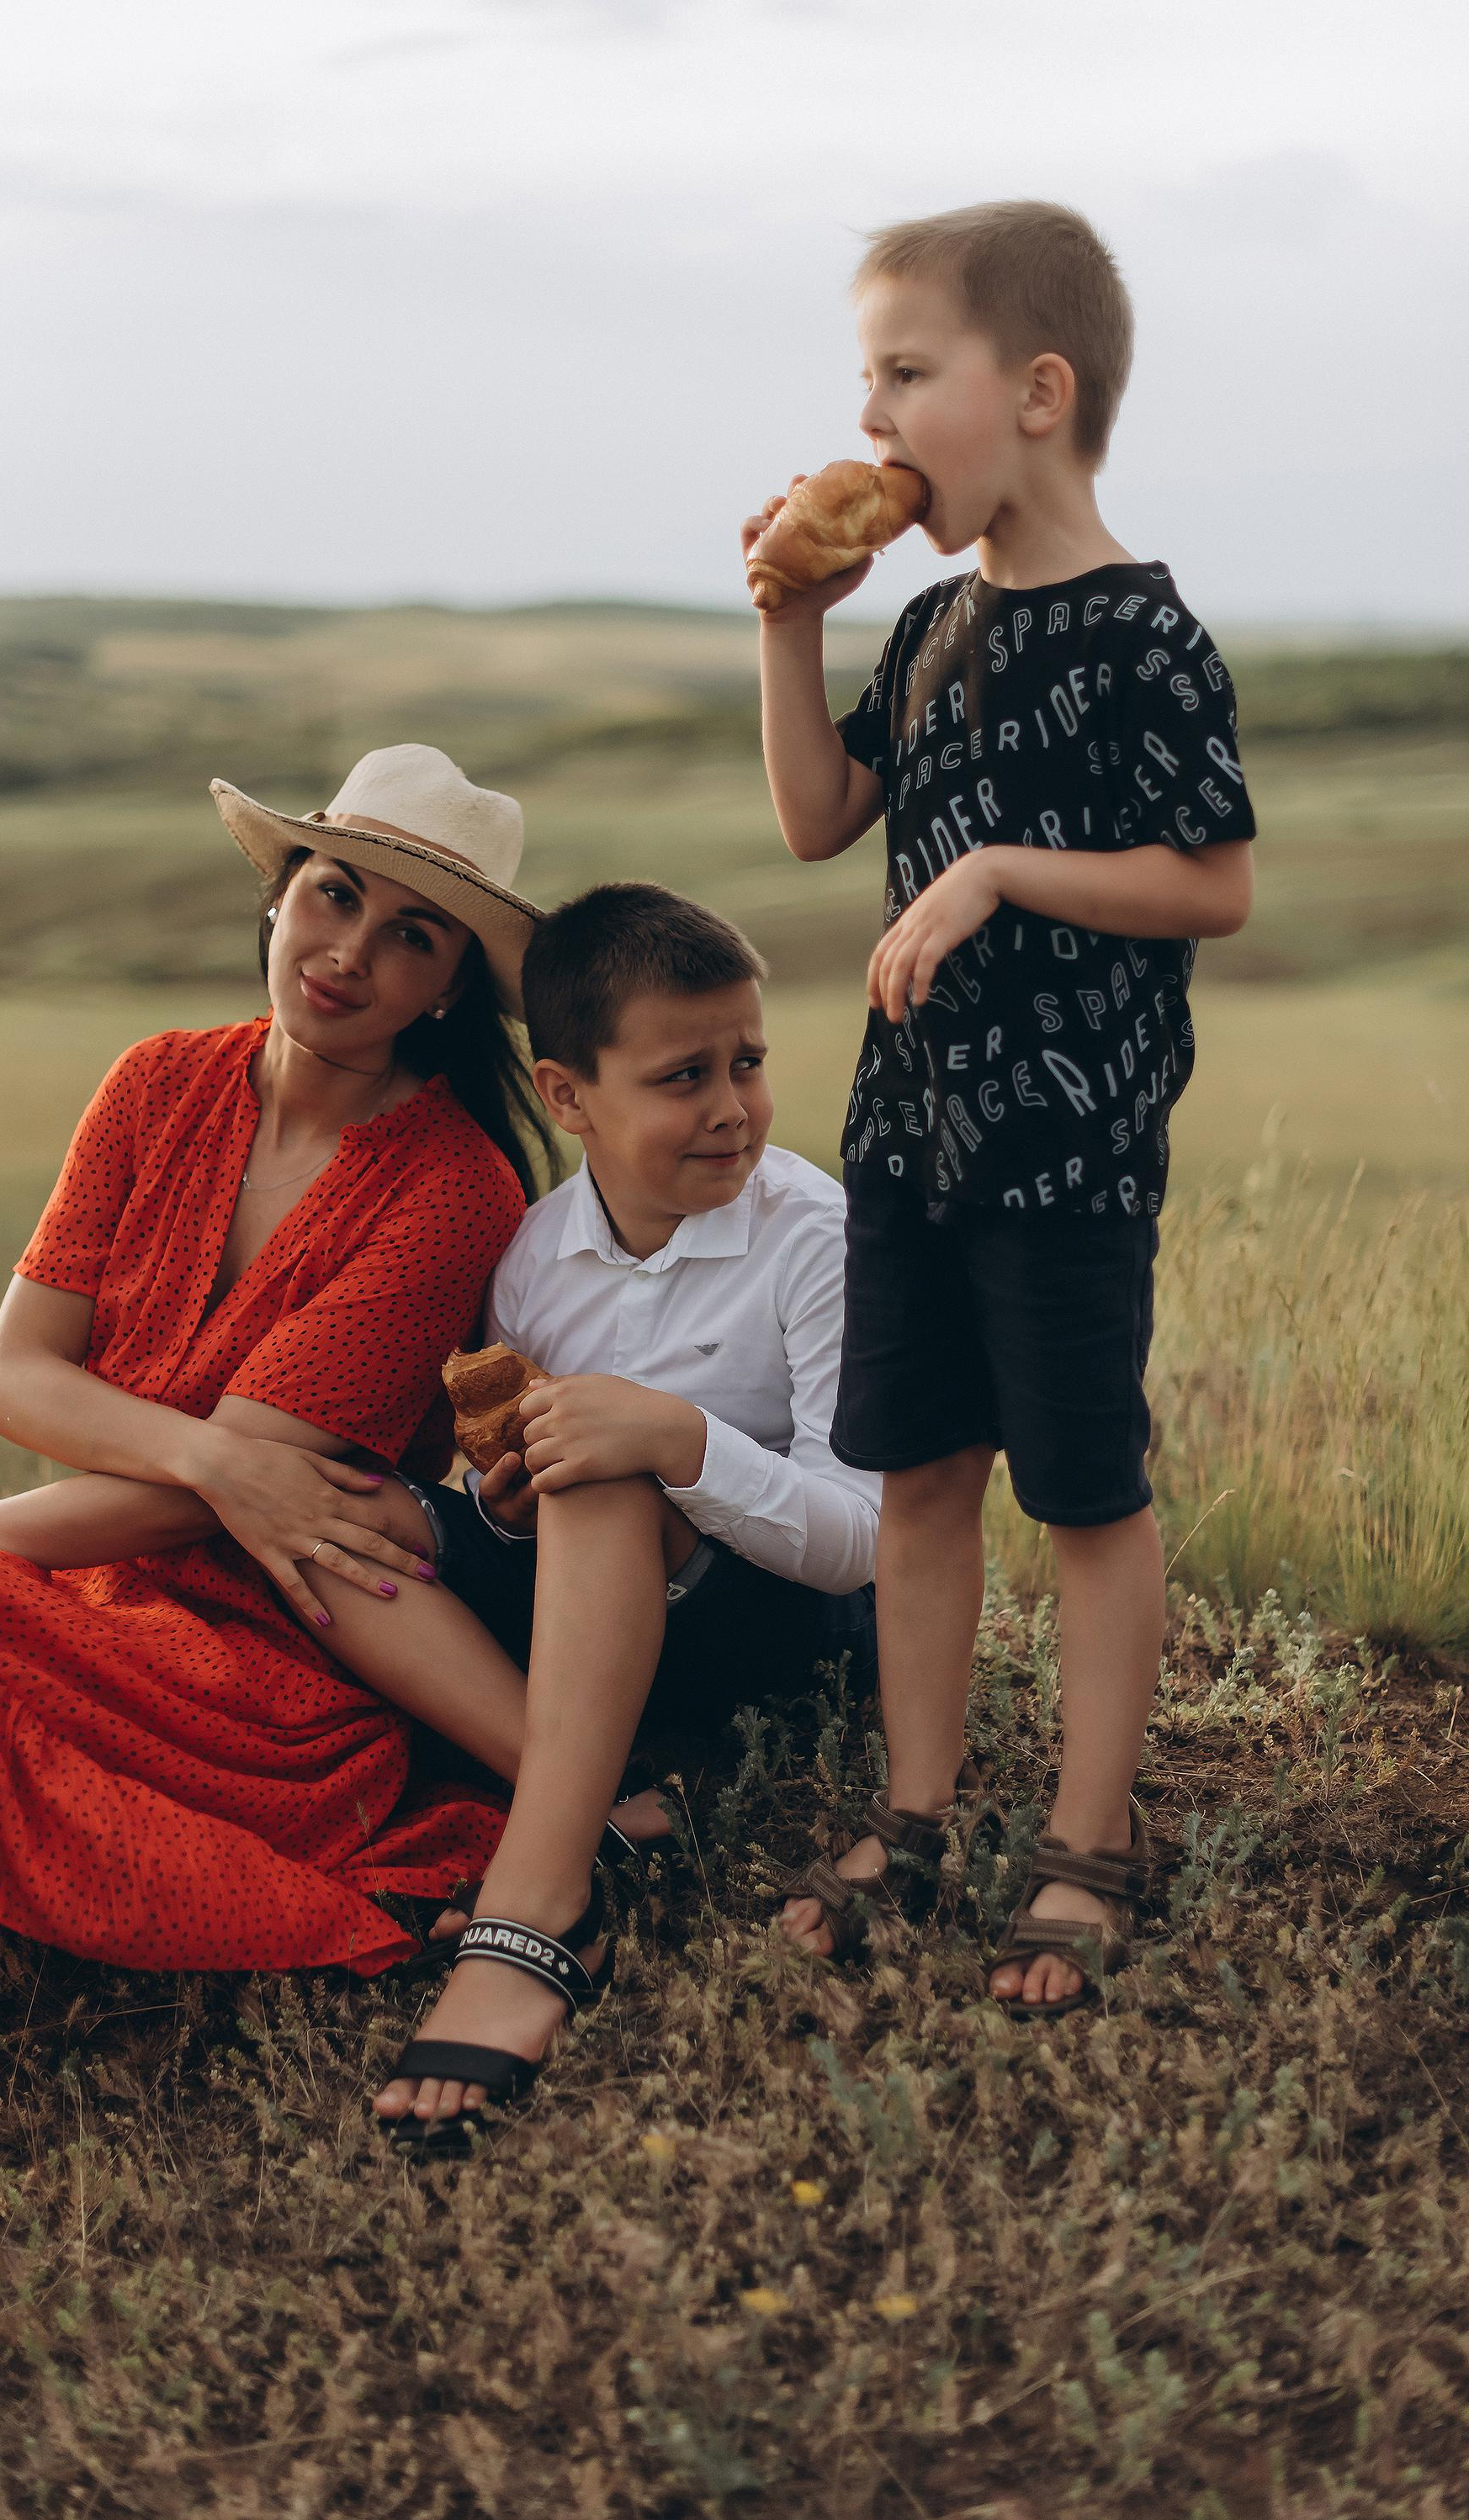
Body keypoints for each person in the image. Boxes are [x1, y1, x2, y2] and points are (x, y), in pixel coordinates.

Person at [0, 744, 559, 2014]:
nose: (350, 951)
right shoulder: (157, 1083)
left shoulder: (450, 1190)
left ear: (451, 989)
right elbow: (14, 1385)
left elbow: (221, 1506)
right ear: (279, 895)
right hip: (90, 1597)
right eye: (334, 893)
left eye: (412, 936)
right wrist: (205, 1450)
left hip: (267, 1666)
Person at [743, 200, 1256, 2016]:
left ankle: (1087, 1844)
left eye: (905, 373)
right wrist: (789, 629)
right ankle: (916, 1815)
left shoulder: (1144, 636)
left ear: (1036, 393)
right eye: (864, 379)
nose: (869, 417)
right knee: (920, 1481)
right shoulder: (931, 622)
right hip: (911, 1137)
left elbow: (1213, 883)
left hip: (1070, 1152)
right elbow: (820, 819)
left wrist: (995, 874)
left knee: (1086, 1496)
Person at [306, 882, 878, 2150]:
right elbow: (514, 1494)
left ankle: (538, 1901)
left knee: (611, 1472)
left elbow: (864, 1540)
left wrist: (678, 1444)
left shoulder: (817, 1241)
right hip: (600, 1613)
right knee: (337, 1518)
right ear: (568, 1097)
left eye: (747, 1063)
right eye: (683, 1078)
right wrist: (503, 1510)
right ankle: (602, 1796)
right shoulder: (534, 1254)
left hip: (778, 1626)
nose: (732, 1107)